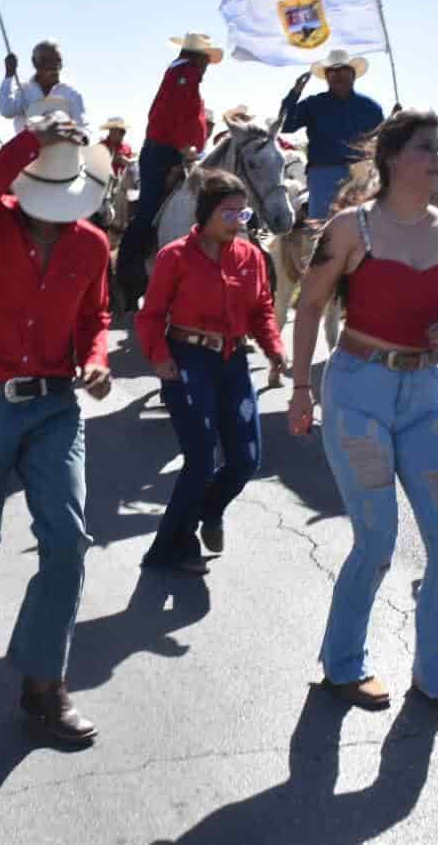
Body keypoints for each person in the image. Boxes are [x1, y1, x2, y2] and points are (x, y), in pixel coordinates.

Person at [286, 108, 438, 717]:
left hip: (425, 397)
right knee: (377, 540)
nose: (437, 159)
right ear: (394, 160)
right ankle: (343, 667)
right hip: (357, 391)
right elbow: (308, 306)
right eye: (426, 148)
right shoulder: (352, 229)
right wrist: (302, 388)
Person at [0, 98, 113, 745]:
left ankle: (44, 684)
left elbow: (95, 318)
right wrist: (24, 142)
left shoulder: (91, 245)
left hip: (55, 407)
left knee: (67, 542)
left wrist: (94, 359)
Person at [135, 168, 287, 573]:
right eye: (229, 213)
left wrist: (274, 347)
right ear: (205, 213)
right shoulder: (174, 257)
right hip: (187, 362)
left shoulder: (251, 256)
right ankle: (174, 547)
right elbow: (150, 316)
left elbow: (262, 310)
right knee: (200, 459)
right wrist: (159, 357)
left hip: (233, 363)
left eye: (243, 214)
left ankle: (208, 509)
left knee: (246, 459)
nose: (238, 221)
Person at [115, 32, 222, 309]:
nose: (207, 66)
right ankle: (128, 272)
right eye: (206, 60)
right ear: (197, 57)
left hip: (175, 152)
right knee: (149, 208)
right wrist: (183, 157)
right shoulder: (184, 73)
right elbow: (177, 118)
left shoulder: (182, 74)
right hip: (167, 154)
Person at [280, 49, 385, 221]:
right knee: (322, 228)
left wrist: (394, 121)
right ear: (327, 77)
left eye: (343, 71)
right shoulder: (313, 104)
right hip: (323, 175)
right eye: (332, 72)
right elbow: (285, 125)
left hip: (361, 174)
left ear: (353, 74)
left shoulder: (371, 107)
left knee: (366, 224)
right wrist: (295, 93)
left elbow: (382, 140)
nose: (338, 76)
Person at [0, 39, 85, 135]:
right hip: (29, 149)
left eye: (56, 60)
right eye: (45, 61)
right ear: (34, 63)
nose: (52, 65)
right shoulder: (23, 91)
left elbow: (83, 129)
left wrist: (65, 129)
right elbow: (6, 111)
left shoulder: (72, 95)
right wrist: (9, 74)